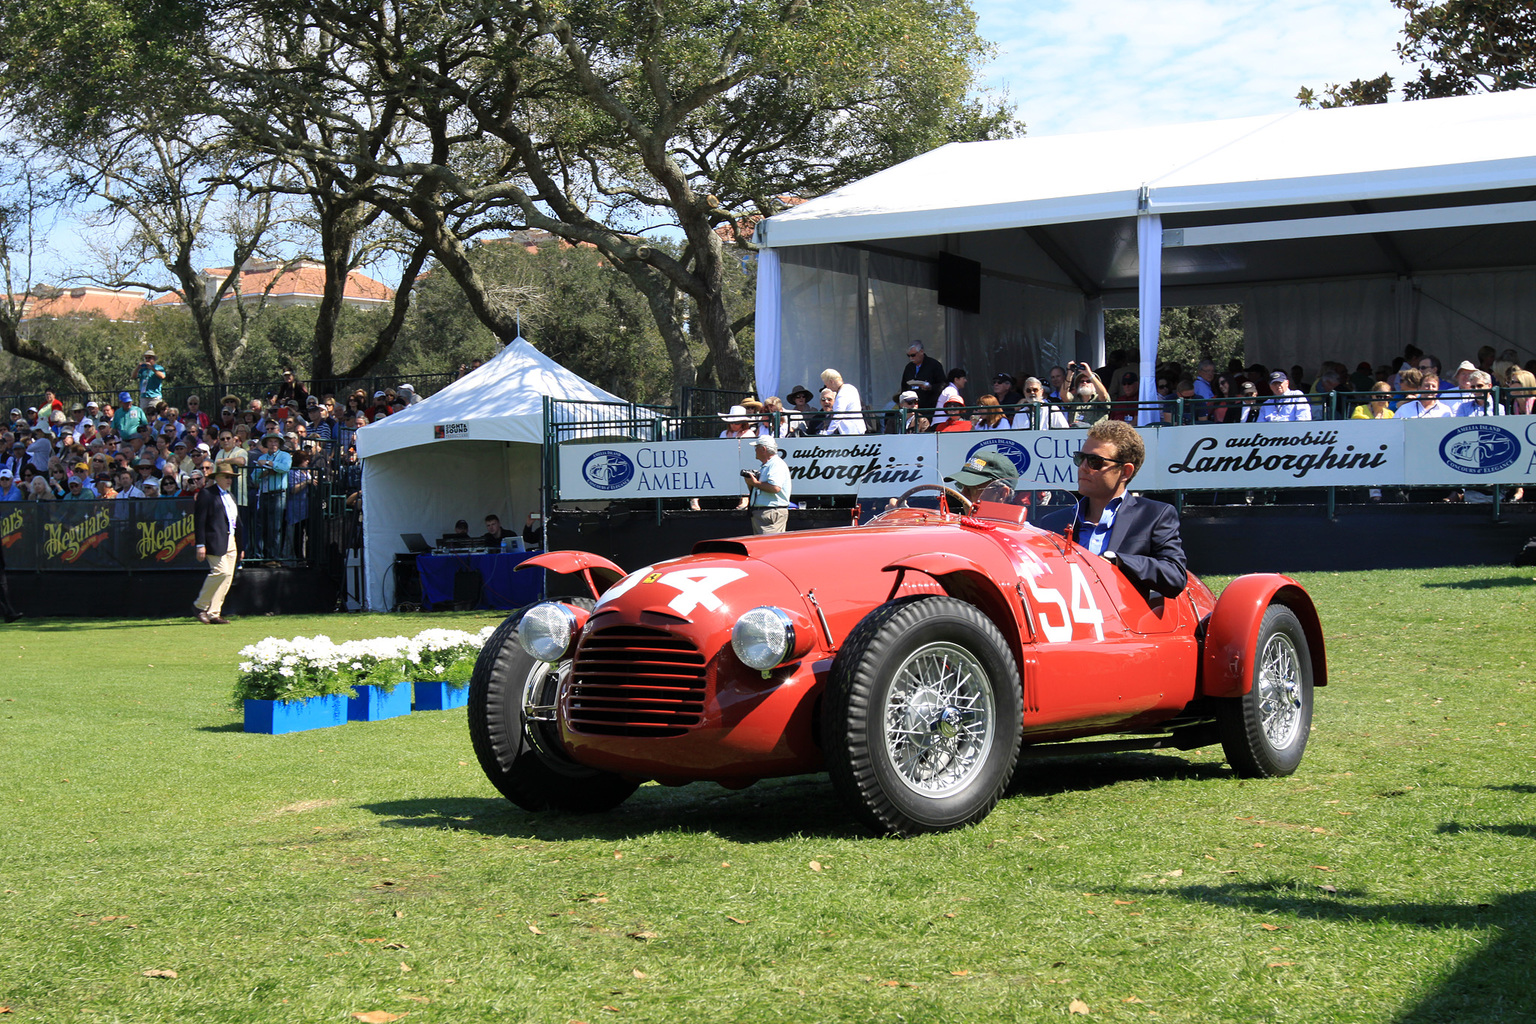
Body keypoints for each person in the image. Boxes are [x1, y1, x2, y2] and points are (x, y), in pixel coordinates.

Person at [1040, 419, 1187, 600]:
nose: (1083, 467)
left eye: (1095, 461)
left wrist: (1118, 560)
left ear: (1125, 472)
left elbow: (1174, 576)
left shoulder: (1154, 516)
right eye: (1080, 458)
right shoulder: (1051, 522)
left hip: (1123, 622)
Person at [193, 463, 244, 624]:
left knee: (228, 576)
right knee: (220, 572)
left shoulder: (230, 496)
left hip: (231, 540)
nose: (229, 480)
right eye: (227, 477)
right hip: (214, 540)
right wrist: (200, 544)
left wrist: (240, 546)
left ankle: (214, 612)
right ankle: (199, 606)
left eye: (231, 477)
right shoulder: (207, 494)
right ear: (218, 478)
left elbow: (236, 522)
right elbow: (199, 521)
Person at [744, 435, 791, 534]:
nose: (755, 450)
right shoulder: (768, 465)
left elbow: (775, 488)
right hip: (766, 513)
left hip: (770, 513)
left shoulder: (776, 464)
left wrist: (755, 483)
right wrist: (751, 483)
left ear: (763, 449)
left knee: (769, 546)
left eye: (756, 447)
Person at [943, 449, 1019, 505]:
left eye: (971, 489)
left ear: (1002, 494)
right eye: (960, 486)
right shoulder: (952, 524)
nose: (962, 495)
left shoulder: (1019, 527)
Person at [900, 342, 946, 414]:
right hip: (911, 406)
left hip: (928, 406)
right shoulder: (909, 367)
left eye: (913, 355)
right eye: (908, 356)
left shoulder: (934, 365)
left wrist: (930, 387)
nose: (911, 358)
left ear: (921, 352)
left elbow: (943, 384)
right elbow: (904, 386)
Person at [820, 368, 866, 435]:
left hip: (850, 432)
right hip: (857, 429)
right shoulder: (850, 388)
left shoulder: (842, 394)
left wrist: (828, 432)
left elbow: (838, 416)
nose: (827, 387)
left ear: (831, 381)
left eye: (826, 385)